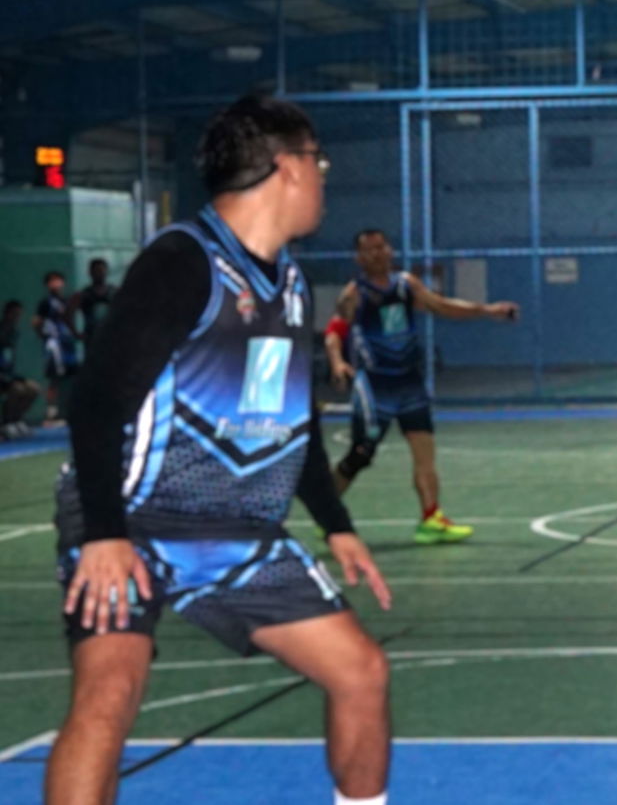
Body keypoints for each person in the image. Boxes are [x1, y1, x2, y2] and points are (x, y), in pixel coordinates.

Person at [47, 95, 393, 805]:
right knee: (109, 692)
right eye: (319, 162)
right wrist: (105, 534)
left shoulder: (289, 283)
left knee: (360, 672)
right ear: (287, 167)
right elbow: (96, 400)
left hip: (236, 530)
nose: (323, 177)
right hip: (132, 517)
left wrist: (336, 523)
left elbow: (287, 421)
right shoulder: (182, 262)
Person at [325, 228, 519, 544]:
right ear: (359, 258)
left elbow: (442, 306)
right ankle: (326, 513)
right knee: (360, 455)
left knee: (424, 451)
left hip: (409, 382)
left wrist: (488, 310)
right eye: (369, 249)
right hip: (375, 386)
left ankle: (431, 518)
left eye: (381, 247)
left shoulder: (406, 285)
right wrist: (337, 362)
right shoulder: (354, 294)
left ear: (390, 250)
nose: (377, 253)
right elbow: (334, 332)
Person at [34, 270, 79, 425]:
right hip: (54, 346)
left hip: (68, 344)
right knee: (54, 378)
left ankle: (66, 411)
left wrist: (75, 334)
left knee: (70, 377)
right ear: (47, 284)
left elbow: (70, 320)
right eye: (52, 281)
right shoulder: (46, 303)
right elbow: (36, 322)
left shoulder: (66, 301)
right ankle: (51, 413)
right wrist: (45, 336)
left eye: (58, 280)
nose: (56, 284)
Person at [1, 298, 41, 437]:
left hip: (8, 376)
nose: (17, 317)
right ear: (7, 313)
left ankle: (16, 420)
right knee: (17, 389)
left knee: (34, 388)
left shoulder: (13, 332)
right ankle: (6, 422)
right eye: (14, 314)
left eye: (19, 314)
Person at [73, 259, 118, 353]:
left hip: (111, 337)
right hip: (92, 338)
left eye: (101, 270)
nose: (99, 273)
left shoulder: (115, 292)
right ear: (90, 273)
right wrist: (76, 333)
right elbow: (67, 314)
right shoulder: (84, 294)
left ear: (106, 272)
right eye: (96, 270)